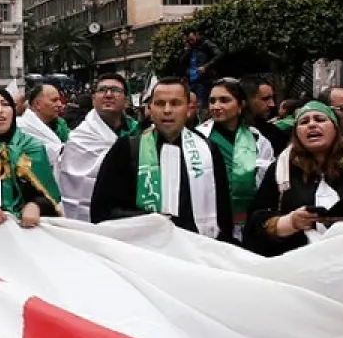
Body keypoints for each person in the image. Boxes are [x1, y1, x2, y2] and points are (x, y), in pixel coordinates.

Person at [90, 79, 232, 240]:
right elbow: (102, 211)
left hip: (197, 247)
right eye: (160, 103)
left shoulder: (208, 150)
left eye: (175, 103)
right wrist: (149, 220)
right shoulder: (127, 148)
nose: (167, 110)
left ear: (188, 109)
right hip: (144, 248)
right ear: (149, 108)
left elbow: (223, 214)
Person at [243, 101, 343, 256]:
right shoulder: (281, 169)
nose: (312, 125)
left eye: (320, 119)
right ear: (296, 133)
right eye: (304, 122)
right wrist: (290, 223)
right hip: (298, 261)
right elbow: (256, 222)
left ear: (335, 128)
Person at [0, 87, 61, 232]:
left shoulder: (32, 147)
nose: (0, 110)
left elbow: (50, 195)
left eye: (5, 104)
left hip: (28, 231)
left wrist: (36, 205)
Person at [197, 78, 276, 237]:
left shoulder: (257, 139)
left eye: (224, 100)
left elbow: (268, 182)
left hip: (250, 220)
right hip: (210, 218)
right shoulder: (197, 138)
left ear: (240, 105)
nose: (216, 106)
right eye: (212, 101)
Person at [58, 72, 137, 222]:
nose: (108, 95)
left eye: (115, 90)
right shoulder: (79, 139)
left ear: (126, 101)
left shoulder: (137, 133)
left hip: (129, 211)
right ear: (94, 100)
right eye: (102, 90)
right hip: (92, 217)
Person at [18, 80, 68, 168]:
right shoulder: (20, 127)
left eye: (59, 100)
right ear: (37, 104)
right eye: (54, 100)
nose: (60, 104)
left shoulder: (60, 125)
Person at [184, 29, 220, 107]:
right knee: (192, 106)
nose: (191, 42)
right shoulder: (190, 48)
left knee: (202, 106)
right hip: (192, 81)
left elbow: (218, 55)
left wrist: (205, 67)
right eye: (188, 40)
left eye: (192, 39)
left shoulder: (206, 43)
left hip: (204, 80)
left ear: (196, 34)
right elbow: (183, 63)